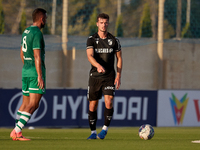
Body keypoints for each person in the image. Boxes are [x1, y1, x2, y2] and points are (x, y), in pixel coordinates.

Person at [10, 8, 47, 141]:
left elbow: (22, 53)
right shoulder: (37, 33)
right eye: (46, 19)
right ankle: (16, 131)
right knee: (33, 104)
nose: (46, 21)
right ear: (42, 19)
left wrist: (27, 67)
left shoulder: (26, 31)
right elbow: (37, 55)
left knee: (26, 104)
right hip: (33, 73)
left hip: (26, 70)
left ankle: (17, 132)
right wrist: (39, 75)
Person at [86, 13, 122, 140]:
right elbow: (89, 55)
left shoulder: (114, 40)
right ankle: (93, 132)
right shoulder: (92, 39)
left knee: (109, 101)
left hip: (109, 76)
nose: (104, 25)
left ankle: (104, 130)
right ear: (97, 24)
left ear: (108, 24)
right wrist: (97, 66)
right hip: (95, 76)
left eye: (106, 22)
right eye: (101, 22)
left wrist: (118, 76)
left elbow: (119, 58)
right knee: (93, 105)